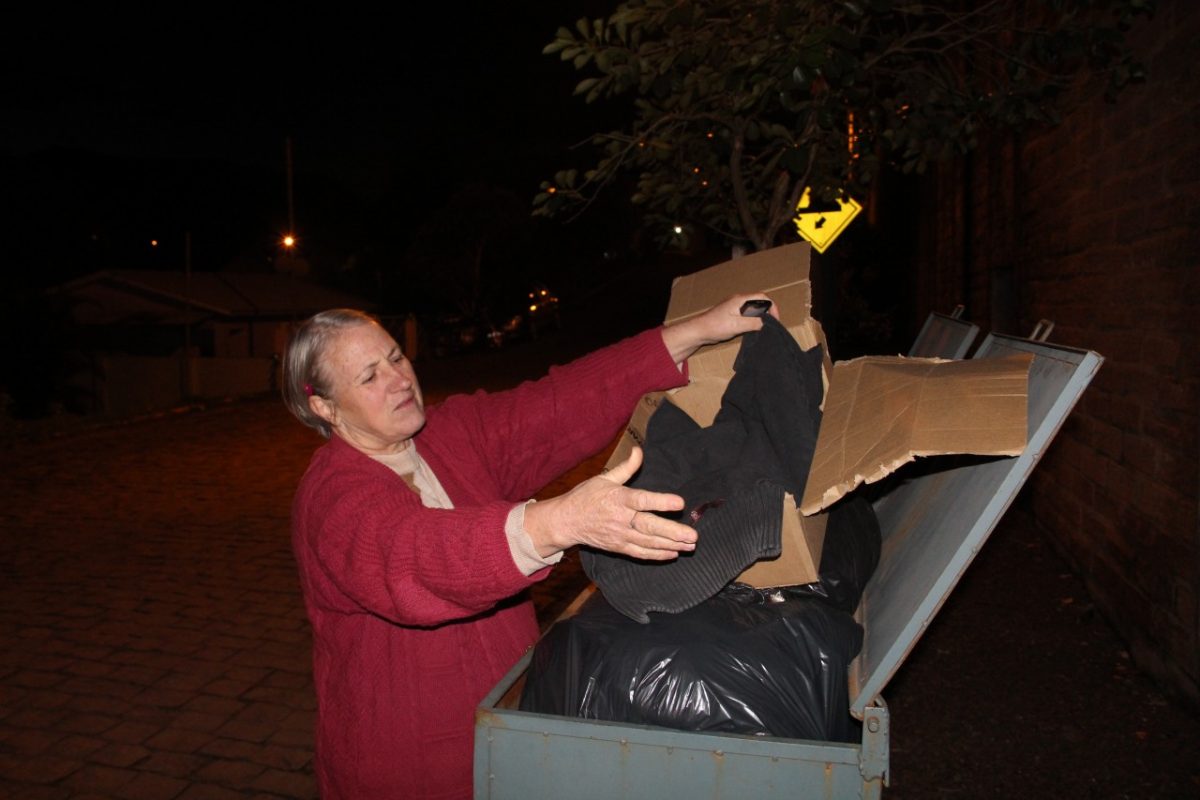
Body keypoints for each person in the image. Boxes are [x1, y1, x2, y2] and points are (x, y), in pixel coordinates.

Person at [281, 294, 775, 799]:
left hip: (508, 729)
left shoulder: (449, 435)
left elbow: (559, 404)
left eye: (395, 357)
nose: (399, 379)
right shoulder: (334, 494)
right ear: (324, 406)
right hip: (410, 768)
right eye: (369, 377)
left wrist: (694, 331)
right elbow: (409, 555)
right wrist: (557, 522)